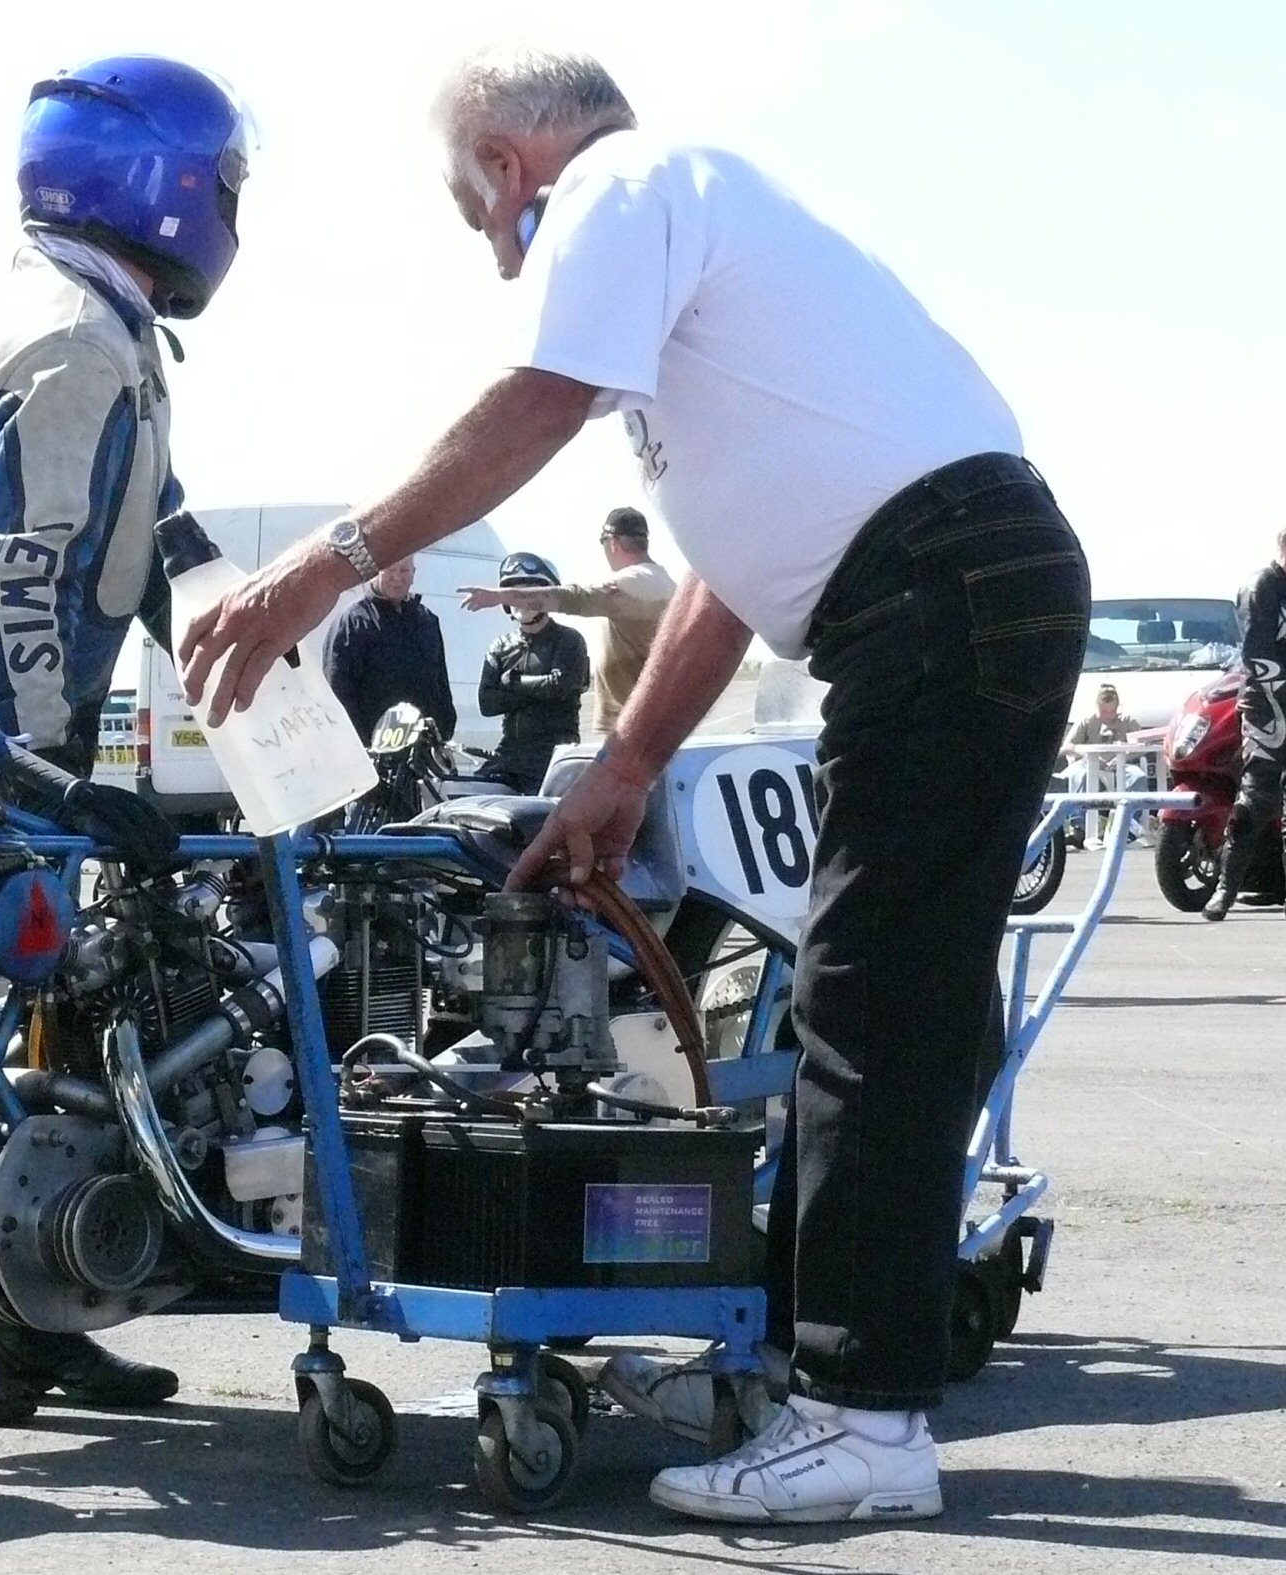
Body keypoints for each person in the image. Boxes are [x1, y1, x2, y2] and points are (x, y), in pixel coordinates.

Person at [175, 48, 1089, 1525]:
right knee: (864, 987)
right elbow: (728, 568)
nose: (491, 245)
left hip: (945, 583)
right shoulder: (709, 269)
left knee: (876, 994)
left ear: (506, 163)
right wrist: (628, 760)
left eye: (478, 213)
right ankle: (815, 1375)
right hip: (949, 580)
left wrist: (311, 571)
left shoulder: (620, 182)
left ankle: (862, 1417)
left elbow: (536, 396)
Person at [0, 54, 254, 1425]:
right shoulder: (80, 333)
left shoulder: (68, 307)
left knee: (45, 1015)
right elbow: (22, 567)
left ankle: (34, 1312)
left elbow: (113, 498)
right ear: (173, 186)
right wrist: (42, 772)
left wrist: (200, 572)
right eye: (228, 188)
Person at [461, 506, 674, 729]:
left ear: (612, 543)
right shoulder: (664, 582)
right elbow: (488, 702)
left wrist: (501, 596)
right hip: (650, 717)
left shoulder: (632, 582)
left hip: (633, 724)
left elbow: (573, 598)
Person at [1202, 527, 1286, 920]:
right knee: (1254, 800)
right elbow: (1256, 657)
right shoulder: (1261, 588)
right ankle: (1224, 889)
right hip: (1268, 709)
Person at [475, 552, 589, 791]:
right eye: (514, 594)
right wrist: (536, 689)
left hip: (554, 759)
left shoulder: (569, 640)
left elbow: (559, 686)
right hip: (509, 758)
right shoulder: (500, 645)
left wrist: (512, 681)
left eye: (529, 594)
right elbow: (487, 703)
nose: (520, 602)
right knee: (465, 796)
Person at [322, 555, 458, 742]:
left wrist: (445, 727)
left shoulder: (427, 619)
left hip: (424, 748)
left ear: (413, 574)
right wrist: (362, 745)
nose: (397, 577)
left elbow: (441, 679)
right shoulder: (353, 622)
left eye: (404, 570)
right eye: (390, 570)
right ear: (374, 572)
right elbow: (338, 690)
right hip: (376, 751)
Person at [1062, 683, 1146, 847]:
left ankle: (1130, 825)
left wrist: (1125, 756)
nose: (1108, 716)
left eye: (1112, 711)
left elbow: (1142, 744)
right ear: (1097, 706)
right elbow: (1067, 746)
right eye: (1104, 712)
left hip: (1120, 765)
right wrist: (1086, 756)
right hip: (1091, 764)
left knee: (1138, 776)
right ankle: (1079, 826)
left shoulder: (1127, 721)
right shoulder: (1087, 722)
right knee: (1082, 776)